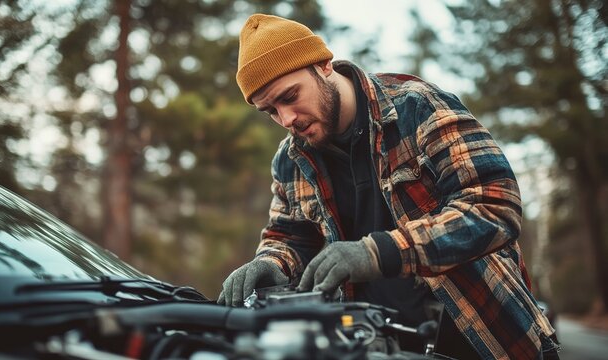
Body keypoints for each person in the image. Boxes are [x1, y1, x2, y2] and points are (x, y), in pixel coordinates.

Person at [217, 13, 559, 359]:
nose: (286, 119)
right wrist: (272, 263)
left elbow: (495, 207)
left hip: (487, 339)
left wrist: (380, 252)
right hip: (375, 346)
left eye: (290, 96)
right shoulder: (290, 159)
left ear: (323, 65)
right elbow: (290, 236)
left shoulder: (419, 107)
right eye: (270, 111)